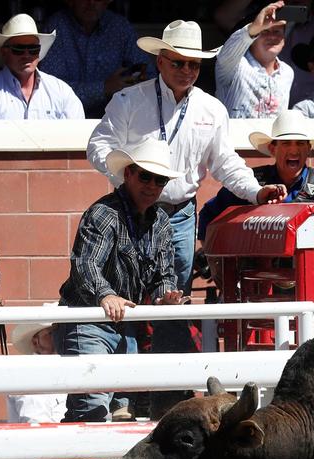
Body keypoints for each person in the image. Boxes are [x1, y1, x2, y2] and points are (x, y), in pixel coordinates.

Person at [88, 19, 284, 415]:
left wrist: (255, 190)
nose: (187, 71)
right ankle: (128, 394)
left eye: (193, 65)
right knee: (123, 294)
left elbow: (225, 162)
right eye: (178, 62)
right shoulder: (129, 101)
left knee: (170, 299)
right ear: (161, 62)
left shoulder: (211, 109)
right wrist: (127, 175)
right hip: (131, 209)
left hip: (177, 214)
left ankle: (166, 393)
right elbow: (99, 144)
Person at [56, 139, 186, 459]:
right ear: (128, 174)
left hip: (124, 325)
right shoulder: (103, 213)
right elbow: (85, 265)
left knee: (118, 410)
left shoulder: (161, 223)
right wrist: (106, 294)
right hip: (86, 320)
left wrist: (166, 296)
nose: (152, 186)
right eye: (145, 177)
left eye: (160, 180)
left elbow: (163, 277)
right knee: (94, 405)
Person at [197, 110, 314, 270]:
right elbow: (208, 215)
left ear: (309, 148)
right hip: (254, 288)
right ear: (273, 149)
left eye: (300, 143)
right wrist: (217, 267)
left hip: (312, 286)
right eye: (286, 143)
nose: (294, 150)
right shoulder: (251, 185)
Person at [39, 0, 152, 118]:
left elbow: (149, 75)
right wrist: (104, 88)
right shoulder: (55, 28)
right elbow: (51, 91)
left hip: (115, 119)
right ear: (70, 1)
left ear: (107, 2)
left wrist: (130, 86)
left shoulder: (120, 27)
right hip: (66, 121)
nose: (91, 3)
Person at [0, 13, 85, 120]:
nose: (26, 55)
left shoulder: (61, 92)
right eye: (19, 49)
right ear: (4, 52)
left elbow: (78, 135)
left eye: (33, 49)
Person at [215, 1, 293, 118]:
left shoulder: (287, 72)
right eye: (265, 31)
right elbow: (227, 51)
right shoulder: (235, 65)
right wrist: (254, 28)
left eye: (277, 31)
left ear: (284, 38)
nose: (272, 36)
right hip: (236, 136)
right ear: (253, 37)